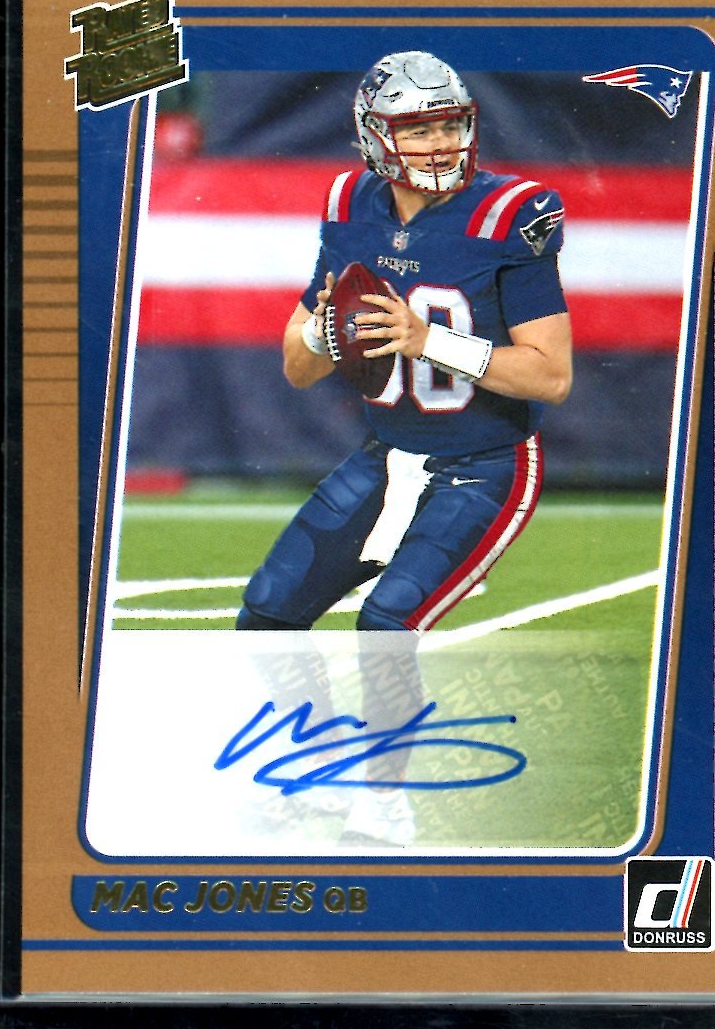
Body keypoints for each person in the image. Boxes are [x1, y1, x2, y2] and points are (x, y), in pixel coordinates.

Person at [236, 50, 572, 845]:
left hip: (487, 463)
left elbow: (551, 376)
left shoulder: (510, 213)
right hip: (388, 456)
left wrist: (429, 341)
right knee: (267, 614)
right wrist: (323, 328)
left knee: (387, 623)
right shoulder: (349, 203)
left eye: (451, 124)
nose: (441, 143)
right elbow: (297, 367)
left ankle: (387, 800)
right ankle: (320, 769)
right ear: (375, 135)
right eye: (419, 129)